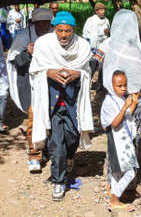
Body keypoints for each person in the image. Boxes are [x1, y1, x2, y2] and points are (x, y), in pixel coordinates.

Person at [29, 11, 94, 201]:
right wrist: (48, 72)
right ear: (54, 29)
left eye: (67, 31)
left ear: (74, 30)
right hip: (52, 100)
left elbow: (87, 70)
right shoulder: (44, 44)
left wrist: (78, 74)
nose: (64, 35)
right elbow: (35, 70)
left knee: (73, 135)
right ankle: (58, 181)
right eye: (60, 30)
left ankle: (68, 159)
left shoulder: (82, 46)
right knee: (57, 143)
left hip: (73, 99)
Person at [102, 9, 141, 212]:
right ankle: (118, 186)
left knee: (131, 141)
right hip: (118, 104)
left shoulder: (135, 49)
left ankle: (120, 185)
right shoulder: (110, 46)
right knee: (123, 143)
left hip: (132, 102)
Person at [7, 8, 52, 173]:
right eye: (39, 24)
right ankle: (34, 154)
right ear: (34, 23)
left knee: (50, 118)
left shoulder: (53, 35)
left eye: (46, 24)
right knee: (33, 118)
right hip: (30, 85)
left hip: (50, 84)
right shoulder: (23, 36)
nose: (43, 27)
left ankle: (46, 148)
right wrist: (27, 52)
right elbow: (15, 61)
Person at [82, 2, 110, 89]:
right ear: (96, 11)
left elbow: (109, 34)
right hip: (93, 47)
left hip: (103, 48)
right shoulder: (90, 21)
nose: (103, 12)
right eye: (101, 10)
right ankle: (86, 83)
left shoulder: (106, 21)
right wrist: (88, 47)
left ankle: (101, 85)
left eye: (104, 10)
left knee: (102, 66)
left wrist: (108, 32)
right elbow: (85, 34)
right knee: (92, 66)